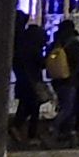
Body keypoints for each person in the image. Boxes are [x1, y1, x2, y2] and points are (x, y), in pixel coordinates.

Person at [46, 11, 79, 140]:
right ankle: (55, 128)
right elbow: (77, 62)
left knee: (64, 105)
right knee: (68, 107)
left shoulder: (56, 41)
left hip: (56, 79)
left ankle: (67, 133)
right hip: (69, 79)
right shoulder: (73, 42)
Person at [12, 8, 48, 143]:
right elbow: (40, 62)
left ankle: (18, 127)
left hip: (23, 78)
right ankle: (29, 133)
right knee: (33, 106)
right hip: (32, 79)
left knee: (25, 105)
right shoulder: (31, 42)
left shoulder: (19, 40)